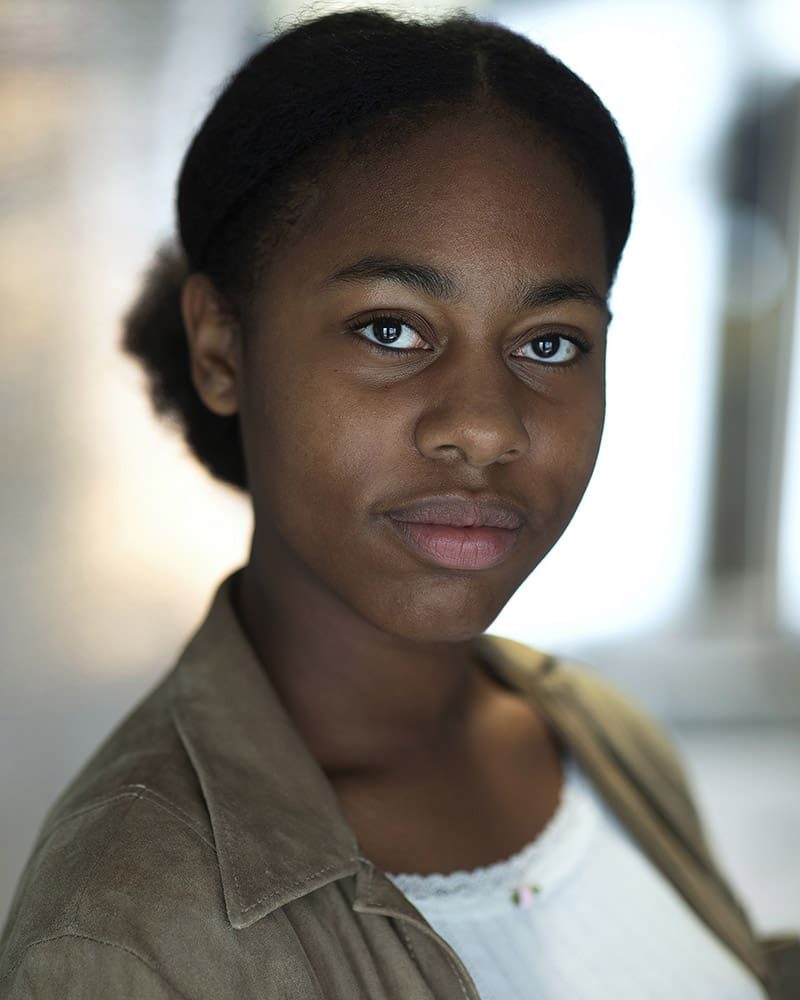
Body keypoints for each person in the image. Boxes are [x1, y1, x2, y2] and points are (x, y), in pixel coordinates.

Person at [0, 9, 797, 999]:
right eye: (390, 328)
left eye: (548, 342)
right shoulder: (129, 934)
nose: (484, 426)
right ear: (219, 349)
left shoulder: (599, 739)